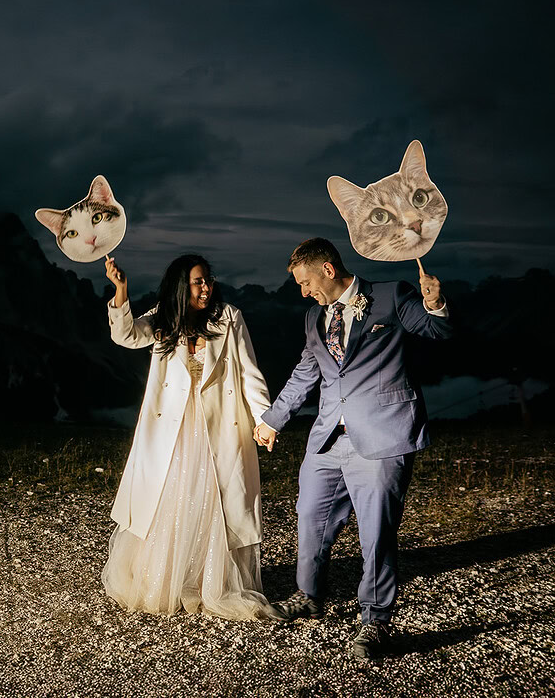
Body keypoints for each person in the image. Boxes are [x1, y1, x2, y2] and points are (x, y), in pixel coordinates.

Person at [254, 238, 452, 659]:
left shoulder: (391, 295)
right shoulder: (313, 317)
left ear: (327, 270)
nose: (303, 292)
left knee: (376, 533)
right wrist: (272, 421)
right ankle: (308, 595)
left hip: (383, 437)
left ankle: (375, 621)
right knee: (309, 517)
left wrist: (434, 302)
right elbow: (305, 374)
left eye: (306, 282)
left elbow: (435, 330)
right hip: (327, 438)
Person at [101, 253, 272, 620]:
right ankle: (166, 581)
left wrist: (263, 420)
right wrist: (120, 290)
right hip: (172, 431)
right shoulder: (163, 317)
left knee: (215, 502)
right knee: (173, 500)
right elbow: (126, 336)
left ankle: (213, 583)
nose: (207, 287)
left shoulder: (229, 318)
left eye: (208, 279)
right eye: (198, 282)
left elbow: (249, 374)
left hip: (219, 425)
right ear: (182, 286)